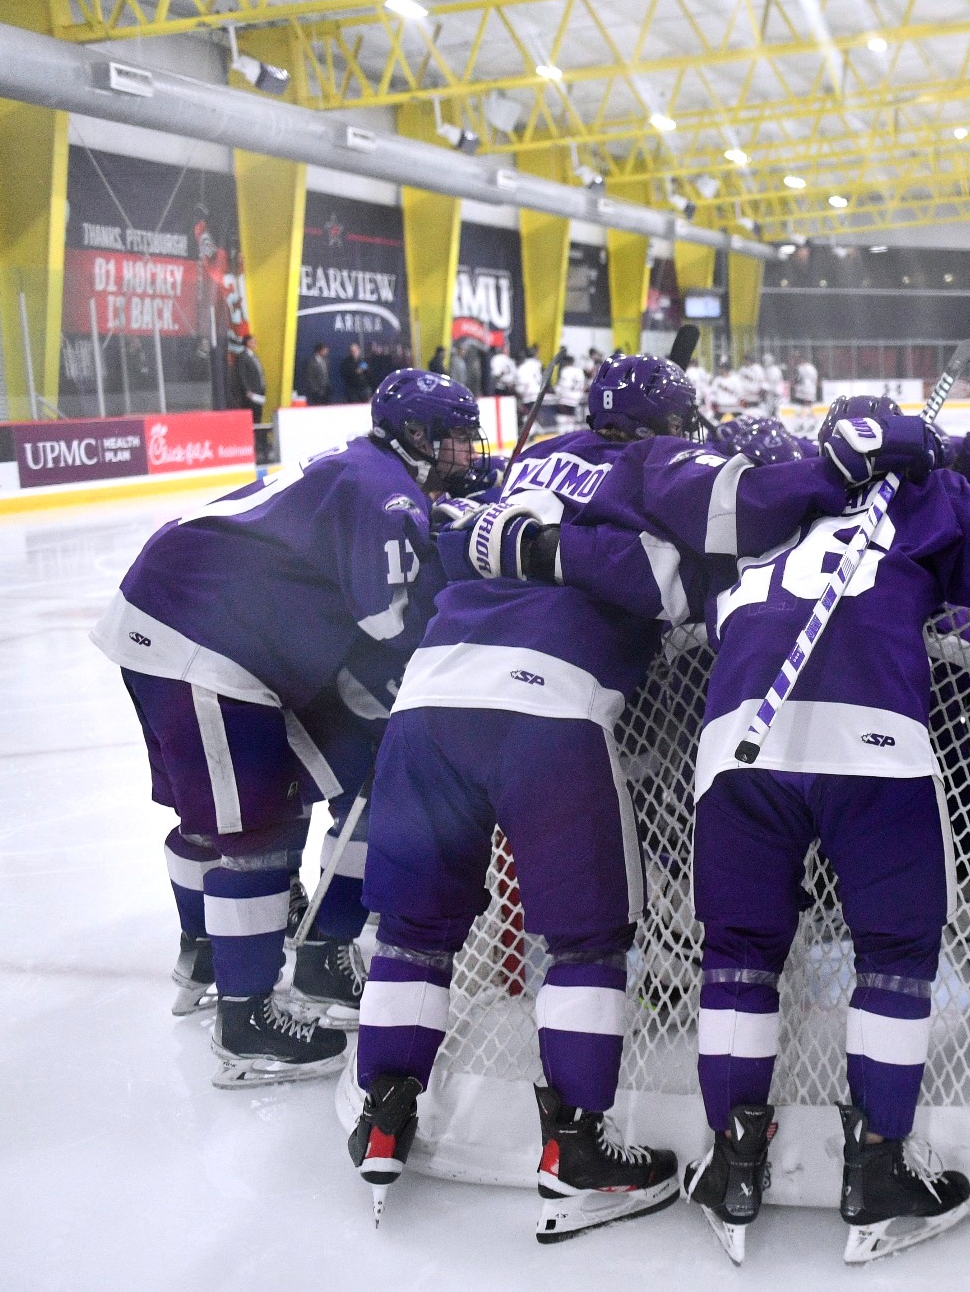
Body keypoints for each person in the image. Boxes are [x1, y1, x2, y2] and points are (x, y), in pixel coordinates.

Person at [349, 355, 869, 1240]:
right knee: (587, 940)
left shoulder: (530, 456)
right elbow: (719, 537)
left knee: (414, 927)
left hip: (427, 702)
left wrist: (541, 549)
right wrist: (842, 468)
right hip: (548, 708)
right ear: (667, 424)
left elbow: (454, 540)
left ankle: (384, 1116)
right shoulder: (651, 465)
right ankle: (577, 1150)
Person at [681, 394, 970, 1265]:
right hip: (874, 741)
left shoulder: (770, 499)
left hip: (735, 744)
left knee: (737, 954)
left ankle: (733, 1166)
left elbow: (704, 611)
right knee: (893, 961)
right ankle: (877, 1171)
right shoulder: (926, 498)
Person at [89, 369, 482, 1087]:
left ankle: (259, 953)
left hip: (185, 618)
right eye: (454, 437)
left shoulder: (370, 467)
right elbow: (390, 624)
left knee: (355, 772)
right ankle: (245, 1020)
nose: (466, 451)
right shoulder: (387, 492)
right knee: (252, 830)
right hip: (204, 640)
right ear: (416, 436)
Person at [233, 334, 267, 421]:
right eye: (253, 342)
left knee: (258, 416)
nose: (255, 343)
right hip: (250, 395)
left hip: (258, 392)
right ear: (247, 343)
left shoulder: (254, 357)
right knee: (252, 417)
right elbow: (241, 375)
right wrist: (247, 390)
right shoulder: (242, 357)